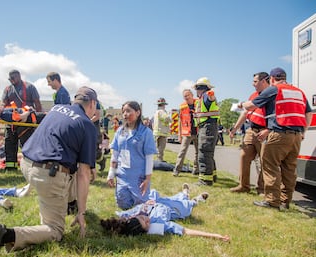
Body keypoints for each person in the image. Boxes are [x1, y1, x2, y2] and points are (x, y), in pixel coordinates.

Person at [0, 86, 98, 257]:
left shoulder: (56, 109)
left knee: (71, 169)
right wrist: (83, 213)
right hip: (48, 175)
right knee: (54, 231)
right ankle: (3, 234)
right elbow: (85, 173)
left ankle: (69, 203)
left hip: (27, 164)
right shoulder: (87, 124)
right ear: (92, 103)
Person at [242, 67, 312, 210]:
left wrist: (242, 105)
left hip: (279, 133)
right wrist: (303, 131)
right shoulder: (299, 92)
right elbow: (308, 114)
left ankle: (272, 201)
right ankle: (285, 201)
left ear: (272, 79)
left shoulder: (274, 89)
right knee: (289, 168)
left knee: (270, 165)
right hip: (297, 135)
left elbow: (251, 105)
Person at [101, 184, 230, 241]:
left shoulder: (130, 215)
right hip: (171, 210)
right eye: (146, 225)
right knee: (184, 209)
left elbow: (119, 219)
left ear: (135, 216)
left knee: (165, 198)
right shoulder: (159, 224)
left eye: (143, 219)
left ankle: (184, 194)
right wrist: (215, 235)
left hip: (159, 201)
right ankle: (195, 200)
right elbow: (186, 231)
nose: (148, 221)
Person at [107, 101, 158, 210]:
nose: (125, 114)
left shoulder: (146, 132)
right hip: (122, 176)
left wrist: (147, 179)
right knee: (123, 205)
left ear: (138, 112)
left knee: (141, 208)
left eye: (128, 111)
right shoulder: (120, 131)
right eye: (123, 112)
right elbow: (115, 154)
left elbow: (149, 158)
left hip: (138, 178)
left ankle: (155, 197)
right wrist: (111, 174)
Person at [229, 72, 269, 194]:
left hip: (264, 131)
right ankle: (243, 186)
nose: (253, 84)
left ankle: (262, 189)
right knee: (244, 156)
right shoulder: (253, 95)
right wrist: (235, 129)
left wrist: (268, 131)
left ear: (264, 81)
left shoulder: (272, 95)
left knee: (264, 161)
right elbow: (245, 113)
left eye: (255, 82)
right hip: (251, 130)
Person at [2, 69, 42, 171]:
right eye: (9, 79)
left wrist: (38, 120)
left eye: (13, 78)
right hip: (10, 121)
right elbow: (3, 104)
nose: (11, 80)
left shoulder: (30, 87)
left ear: (19, 76)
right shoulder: (7, 89)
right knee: (9, 144)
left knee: (27, 144)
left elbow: (37, 104)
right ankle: (10, 167)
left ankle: (30, 167)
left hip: (26, 121)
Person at [193, 77, 220, 186]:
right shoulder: (202, 98)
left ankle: (205, 180)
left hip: (208, 127)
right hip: (208, 126)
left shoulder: (206, 96)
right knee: (208, 153)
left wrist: (211, 95)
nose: (196, 91)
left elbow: (211, 98)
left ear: (201, 88)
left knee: (204, 153)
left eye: (197, 88)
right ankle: (212, 176)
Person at [173, 89, 199, 177]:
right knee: (182, 152)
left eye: (188, 95)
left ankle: (196, 170)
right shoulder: (182, 106)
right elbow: (180, 121)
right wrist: (179, 135)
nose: (186, 97)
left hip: (198, 132)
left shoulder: (199, 103)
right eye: (185, 96)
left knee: (198, 152)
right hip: (187, 133)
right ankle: (177, 170)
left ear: (192, 95)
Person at [152, 98, 172, 162]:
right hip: (162, 132)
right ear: (163, 105)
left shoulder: (156, 112)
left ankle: (158, 158)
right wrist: (170, 118)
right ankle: (160, 159)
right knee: (161, 146)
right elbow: (166, 118)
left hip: (157, 132)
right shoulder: (162, 111)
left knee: (158, 146)